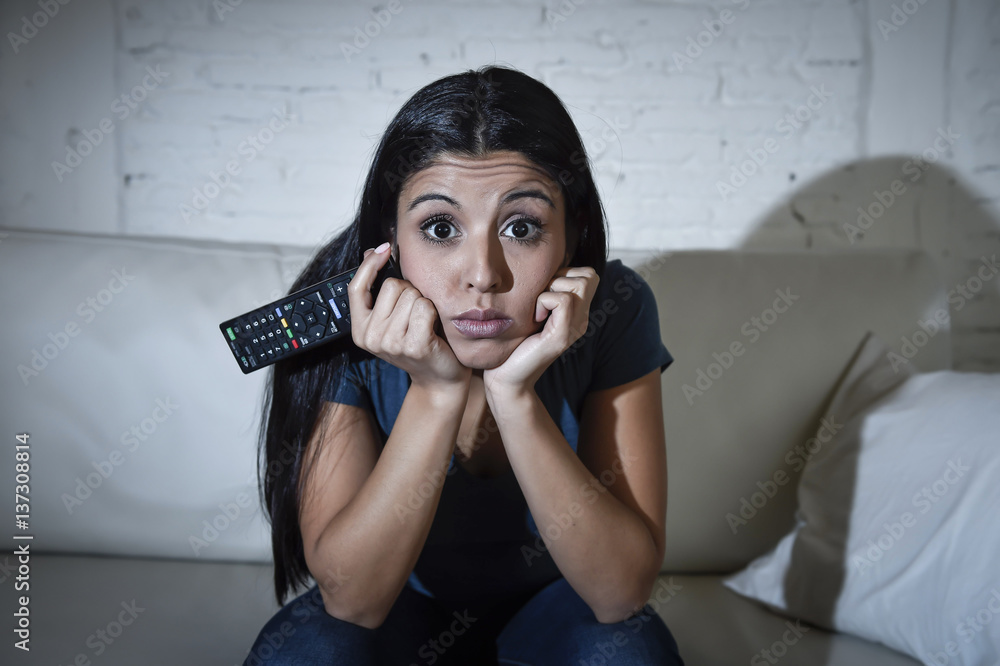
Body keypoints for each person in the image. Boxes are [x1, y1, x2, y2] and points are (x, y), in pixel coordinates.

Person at [243, 65, 684, 665]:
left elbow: (619, 595)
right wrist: (436, 392)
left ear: (572, 235)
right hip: (397, 611)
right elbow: (353, 601)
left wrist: (516, 397)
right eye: (440, 227)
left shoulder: (615, 309)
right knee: (308, 651)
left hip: (559, 611)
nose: (483, 274)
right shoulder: (346, 319)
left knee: (627, 653)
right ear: (390, 241)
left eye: (521, 226)